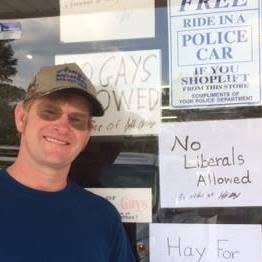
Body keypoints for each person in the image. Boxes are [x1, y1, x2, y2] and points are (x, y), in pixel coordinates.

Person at [0, 63, 135, 261]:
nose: (63, 127)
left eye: (76, 119)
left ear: (87, 135)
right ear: (21, 117)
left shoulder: (102, 217)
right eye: (50, 112)